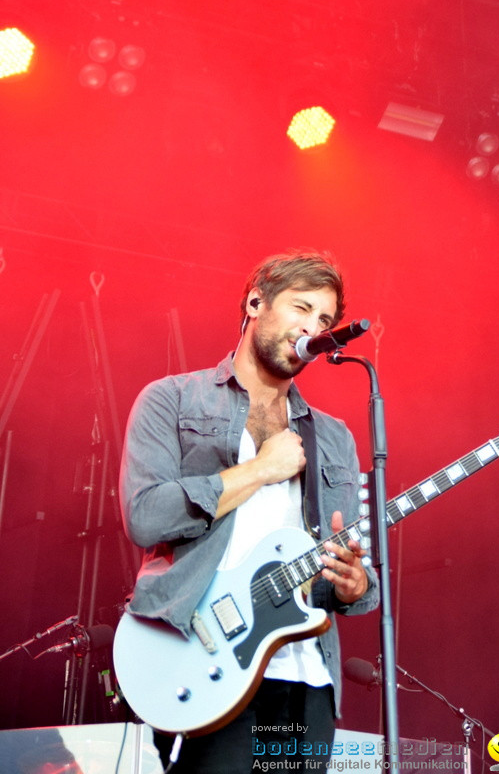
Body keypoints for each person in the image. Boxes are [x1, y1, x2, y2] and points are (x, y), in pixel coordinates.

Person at [119, 250, 379, 774]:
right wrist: (259, 469)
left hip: (306, 677)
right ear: (255, 302)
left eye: (324, 319)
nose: (313, 327)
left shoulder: (333, 437)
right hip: (200, 655)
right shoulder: (171, 400)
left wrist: (355, 584)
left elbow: (351, 568)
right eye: (301, 308)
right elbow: (145, 517)